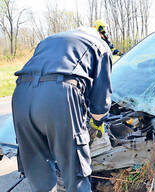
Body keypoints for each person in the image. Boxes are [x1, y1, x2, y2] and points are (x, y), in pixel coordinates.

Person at [11, 27, 112, 191]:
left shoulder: (48, 41)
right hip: (59, 95)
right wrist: (97, 123)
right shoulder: (100, 46)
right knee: (76, 174)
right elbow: (99, 108)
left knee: (39, 174)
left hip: (21, 95)